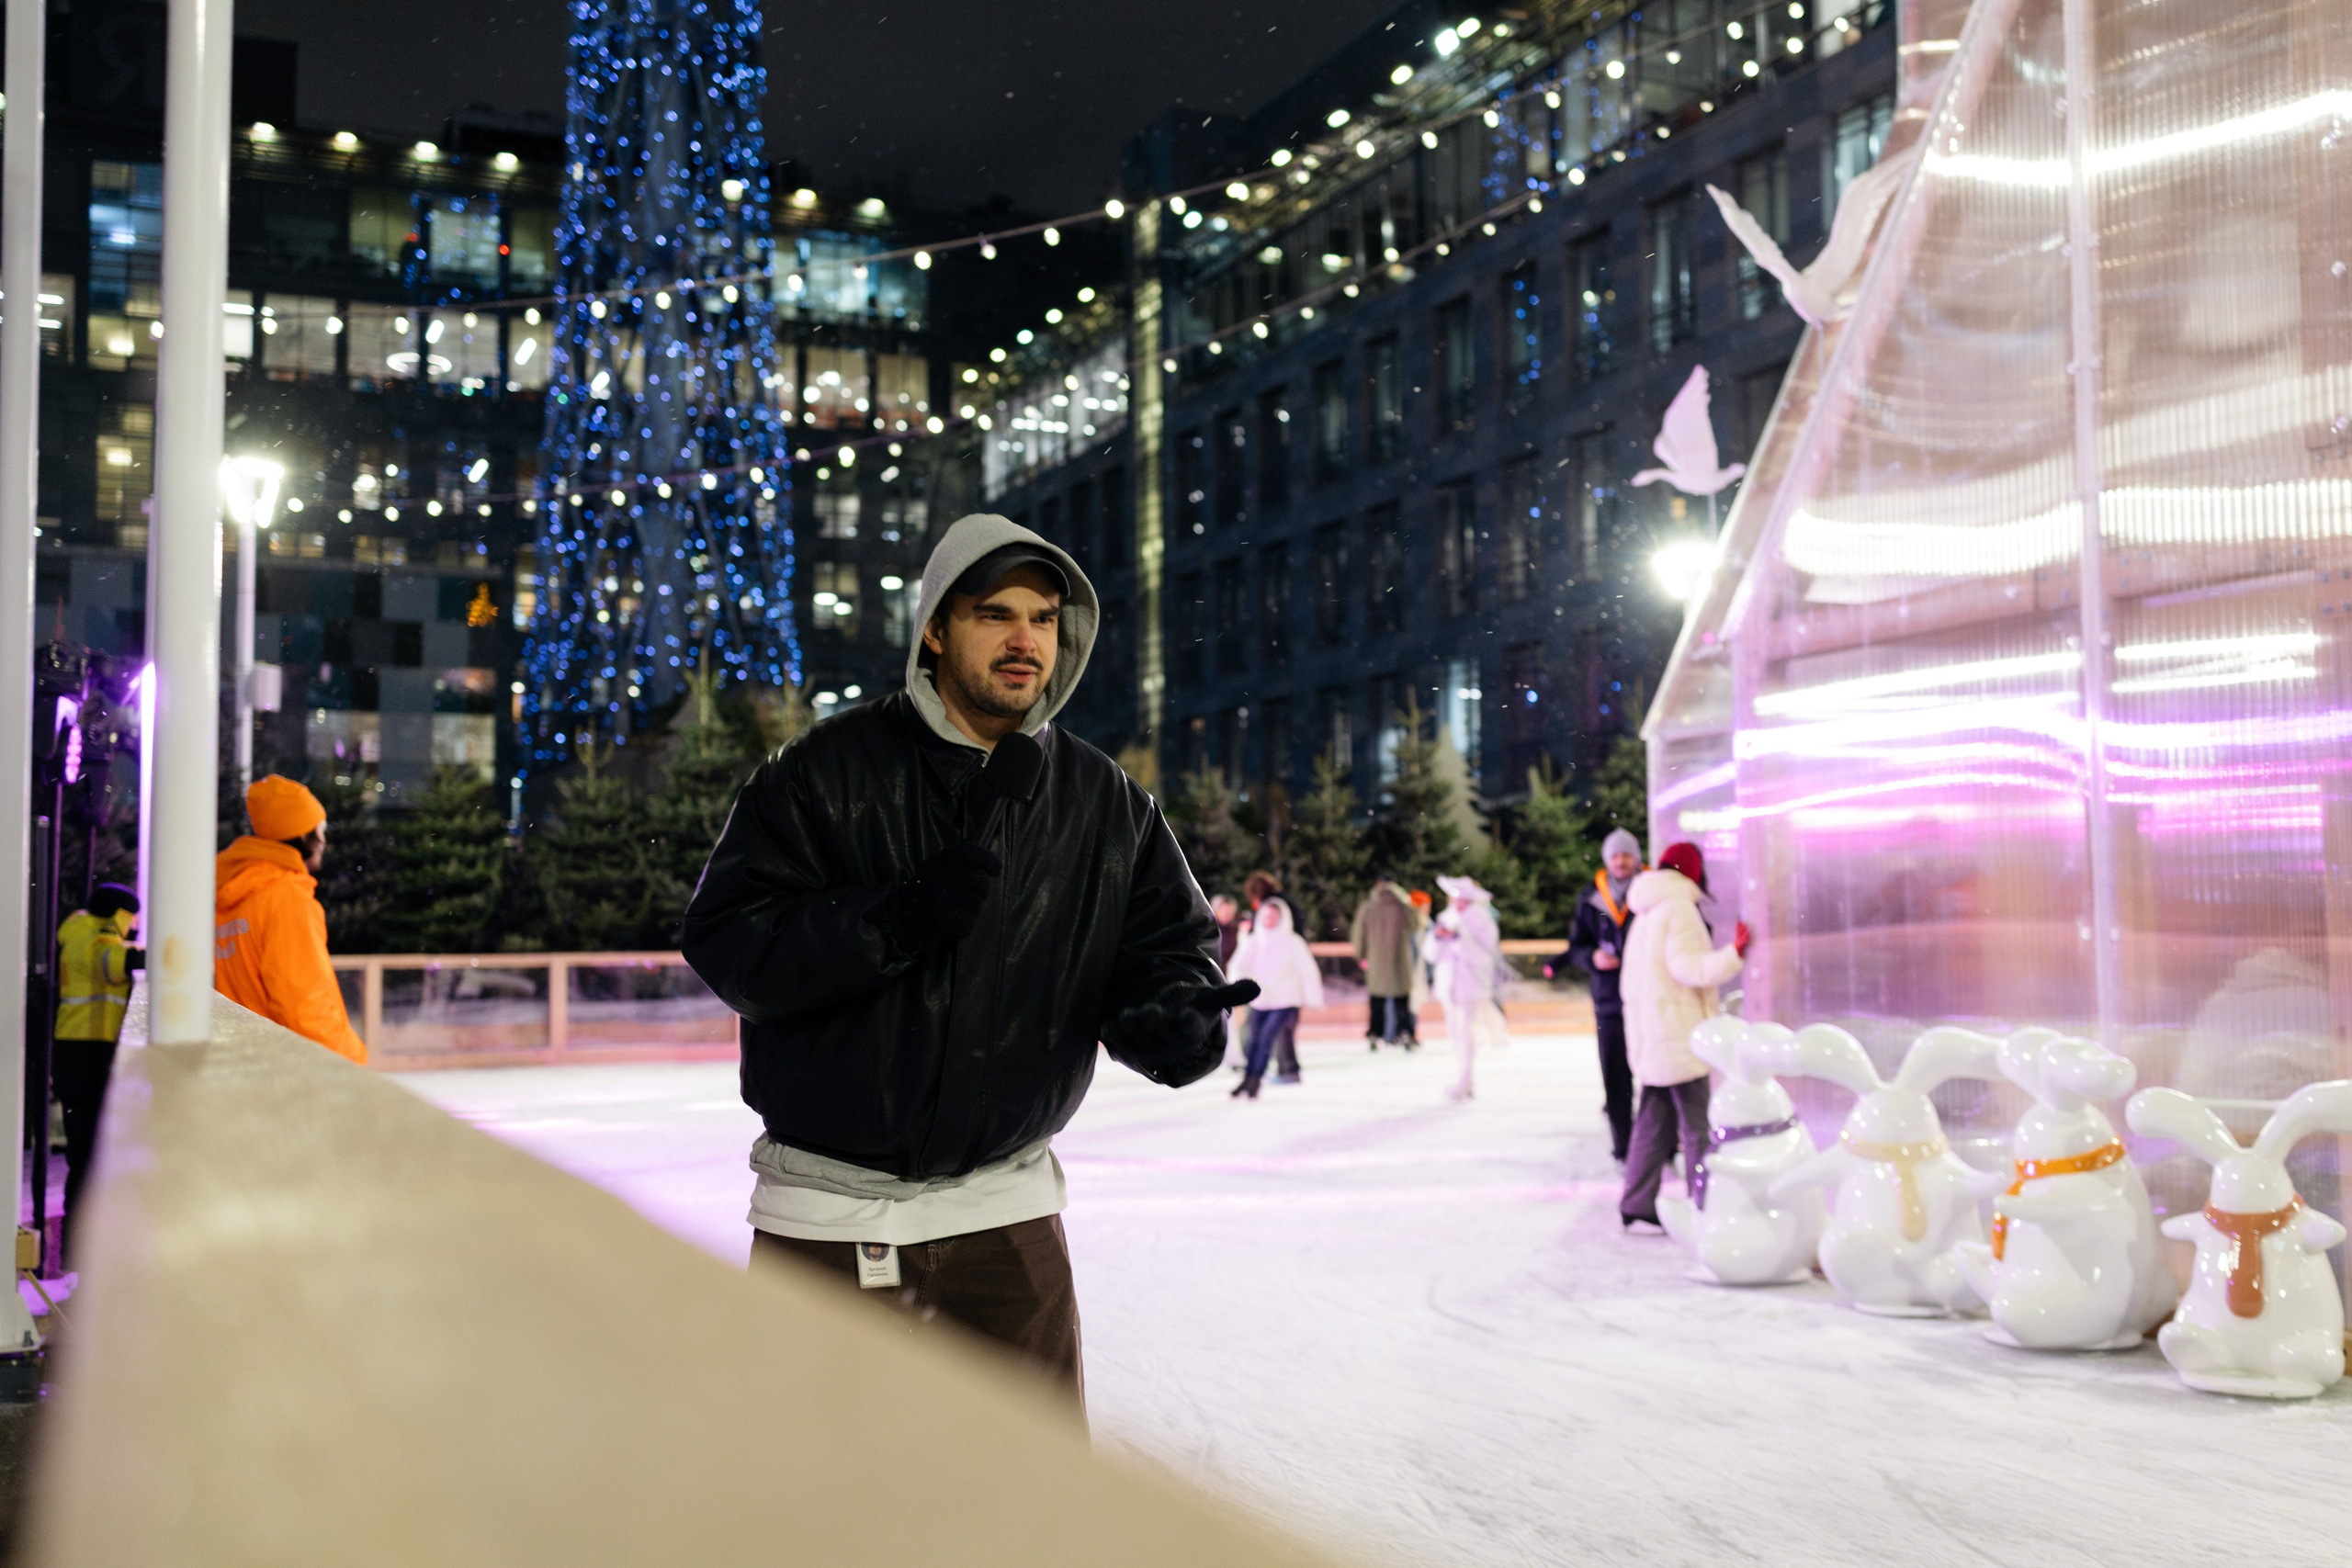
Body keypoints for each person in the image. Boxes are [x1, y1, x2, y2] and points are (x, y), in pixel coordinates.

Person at [683, 513, 1252, 1406]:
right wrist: (889, 921)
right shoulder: (821, 771)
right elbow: (730, 942)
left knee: (1028, 1490)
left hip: (1007, 1227)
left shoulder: (1105, 802)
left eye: (1044, 618)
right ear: (937, 630)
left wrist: (1170, 1018)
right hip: (828, 1226)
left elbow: (1166, 951)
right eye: (996, 614)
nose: (1027, 640)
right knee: (816, 1486)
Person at [1618, 841, 1748, 1233]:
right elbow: (1689, 968)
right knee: (1698, 1127)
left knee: (1653, 1123)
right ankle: (1705, 1203)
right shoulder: (1679, 908)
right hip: (1678, 1035)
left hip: (1652, 1033)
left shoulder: (1645, 911)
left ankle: (1637, 1201)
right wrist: (1735, 953)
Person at [215, 775, 368, 1063]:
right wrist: (353, 1062)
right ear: (302, 836)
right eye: (320, 830)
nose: (324, 840)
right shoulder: (287, 900)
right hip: (285, 1068)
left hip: (241, 1062)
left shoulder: (231, 898)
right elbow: (305, 1008)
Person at [54, 882, 141, 1258]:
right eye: (131, 918)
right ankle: (84, 1252)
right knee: (93, 1156)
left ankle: (77, 1252)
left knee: (84, 1155)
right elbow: (112, 963)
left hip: (74, 1051)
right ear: (119, 914)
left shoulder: (76, 931)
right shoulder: (98, 938)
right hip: (91, 1053)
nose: (133, 926)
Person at [1561, 829, 1644, 1162]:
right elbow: (1576, 946)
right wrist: (1592, 957)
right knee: (1615, 1076)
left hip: (1648, 999)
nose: (1620, 862)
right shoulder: (1591, 898)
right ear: (1606, 860)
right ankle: (1624, 1145)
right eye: (1614, 856)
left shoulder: (1650, 893)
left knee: (1655, 1076)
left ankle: (1662, 1145)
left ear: (1636, 858)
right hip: (1609, 999)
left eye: (1626, 855)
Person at [1227, 897, 1324, 1097]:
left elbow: (1307, 971)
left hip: (1285, 1001)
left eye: (1273, 916)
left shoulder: (1292, 942)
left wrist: (1313, 997)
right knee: (1253, 1040)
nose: (1269, 920)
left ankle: (1255, 1080)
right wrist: (1237, 988)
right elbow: (1238, 965)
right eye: (1266, 916)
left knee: (1265, 1039)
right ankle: (1248, 1078)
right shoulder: (1255, 941)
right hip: (1261, 1000)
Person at [1427, 874, 1509, 1101]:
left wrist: (1458, 940)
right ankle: (1463, 1077)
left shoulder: (1482, 920)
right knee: (1455, 1030)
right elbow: (1431, 954)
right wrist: (1439, 939)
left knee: (1465, 1031)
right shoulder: (1446, 917)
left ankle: (1466, 1078)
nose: (1457, 903)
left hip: (1469, 985)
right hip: (1448, 985)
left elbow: (1484, 956)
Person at [1351, 869, 1425, 1051]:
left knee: (1377, 1000)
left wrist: (1361, 955)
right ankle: (1405, 1032)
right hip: (1400, 959)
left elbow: (1359, 934)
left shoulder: (1369, 906)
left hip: (1376, 960)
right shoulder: (1404, 905)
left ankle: (1375, 1034)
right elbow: (1416, 924)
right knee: (1401, 1000)